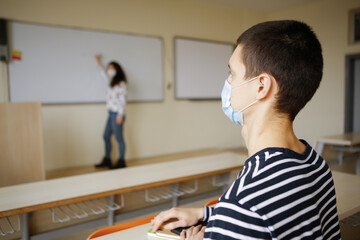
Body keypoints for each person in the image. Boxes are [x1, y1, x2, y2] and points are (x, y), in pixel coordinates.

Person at [151, 20, 341, 240]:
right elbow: (273, 223)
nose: (227, 83)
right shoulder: (316, 165)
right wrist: (208, 214)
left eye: (232, 73)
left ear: (261, 86)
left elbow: (250, 216)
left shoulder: (246, 202)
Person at [94, 55, 127, 169]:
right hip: (111, 113)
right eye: (108, 68)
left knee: (119, 138)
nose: (109, 70)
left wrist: (120, 115)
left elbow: (122, 100)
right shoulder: (110, 82)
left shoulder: (121, 84)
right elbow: (102, 73)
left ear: (117, 70)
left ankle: (121, 161)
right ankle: (107, 159)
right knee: (106, 136)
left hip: (117, 114)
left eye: (111, 68)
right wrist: (98, 61)